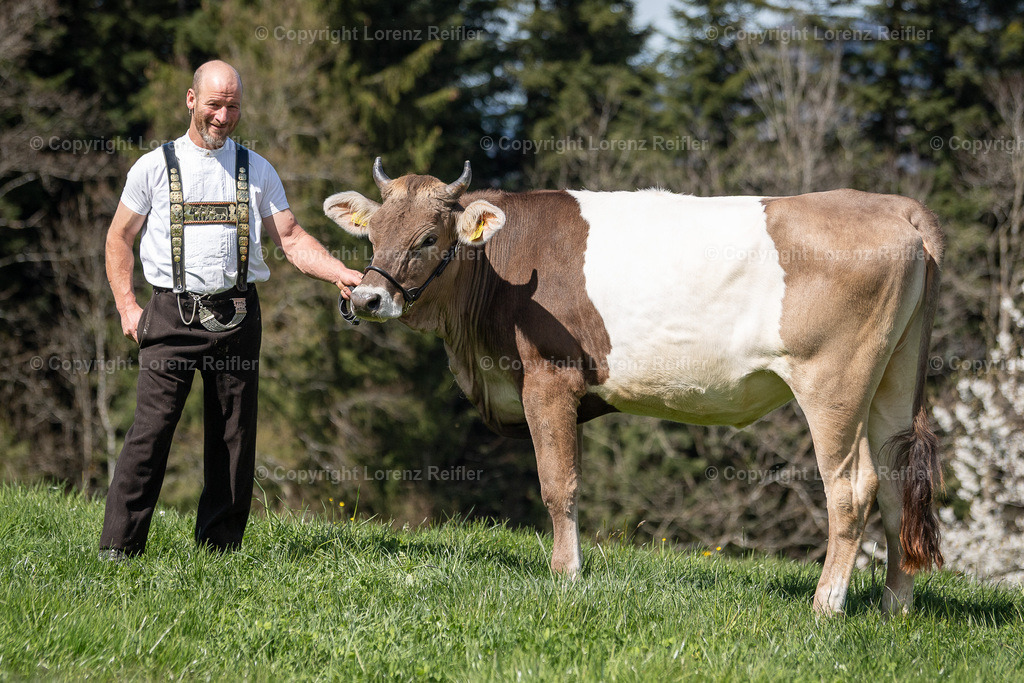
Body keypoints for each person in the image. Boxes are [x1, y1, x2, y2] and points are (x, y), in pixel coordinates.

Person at [99, 60, 362, 559]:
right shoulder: (153, 167)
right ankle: (119, 548)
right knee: (150, 435)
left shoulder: (256, 169)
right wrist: (126, 305)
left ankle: (218, 552)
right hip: (170, 315)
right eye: (215, 104)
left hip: (239, 316)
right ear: (191, 101)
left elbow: (291, 237)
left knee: (234, 439)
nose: (223, 115)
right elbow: (119, 236)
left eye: (233, 105)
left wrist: (340, 273)